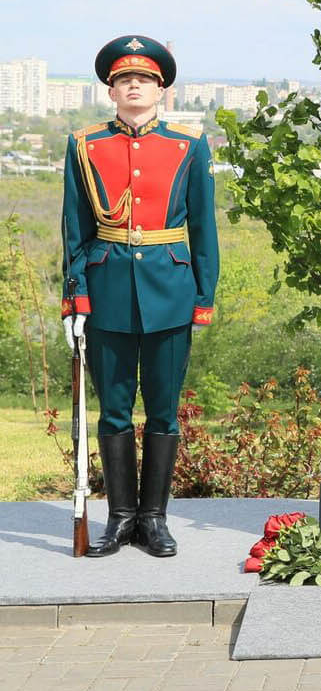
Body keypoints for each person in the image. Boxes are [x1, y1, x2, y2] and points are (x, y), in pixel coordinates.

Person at [61, 35, 220, 558]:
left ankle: (154, 520)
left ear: (160, 90)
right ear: (111, 90)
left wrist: (203, 297)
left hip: (170, 294)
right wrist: (75, 298)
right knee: (112, 412)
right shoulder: (85, 146)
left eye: (145, 80)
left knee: (164, 412)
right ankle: (120, 518)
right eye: (125, 79)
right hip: (106, 294)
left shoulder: (188, 145)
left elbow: (202, 228)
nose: (134, 86)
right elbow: (76, 228)